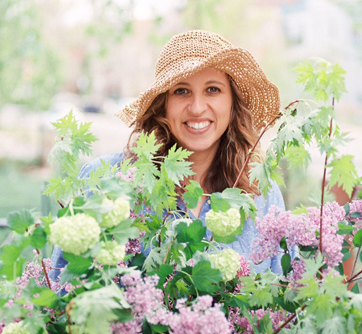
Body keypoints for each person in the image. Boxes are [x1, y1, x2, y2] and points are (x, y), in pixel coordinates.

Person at [50, 29, 286, 280]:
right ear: (162, 103)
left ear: (232, 103)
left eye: (213, 90)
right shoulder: (107, 181)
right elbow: (62, 291)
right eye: (181, 91)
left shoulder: (263, 194)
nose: (196, 108)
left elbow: (285, 300)